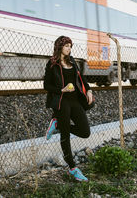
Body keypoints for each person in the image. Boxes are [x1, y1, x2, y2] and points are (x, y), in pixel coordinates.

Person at [43, 35, 93, 182]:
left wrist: (89, 90)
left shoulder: (73, 62)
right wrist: (62, 90)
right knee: (65, 137)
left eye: (70, 46)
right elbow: (47, 85)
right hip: (62, 102)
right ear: (60, 47)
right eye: (66, 46)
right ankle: (73, 169)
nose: (69, 48)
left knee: (85, 131)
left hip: (75, 101)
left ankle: (57, 124)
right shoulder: (52, 64)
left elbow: (81, 78)